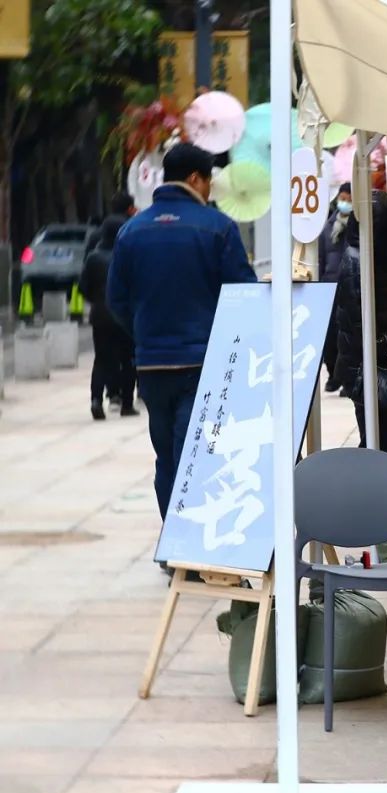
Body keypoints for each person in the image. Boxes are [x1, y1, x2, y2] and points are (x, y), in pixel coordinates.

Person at [107, 143, 256, 523]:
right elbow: (245, 293)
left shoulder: (130, 231)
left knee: (168, 458)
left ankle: (174, 537)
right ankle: (189, 541)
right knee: (197, 456)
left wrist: (144, 334)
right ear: (194, 179)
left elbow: (116, 300)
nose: (209, 191)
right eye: (208, 182)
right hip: (202, 363)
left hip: (152, 367)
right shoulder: (218, 227)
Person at [334, 190, 387, 458]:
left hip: (386, 367)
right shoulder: (360, 261)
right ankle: (364, 483)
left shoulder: (379, 256)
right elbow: (357, 323)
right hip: (372, 369)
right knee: (381, 444)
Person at [79, 215, 137, 420]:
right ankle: (127, 404)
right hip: (124, 315)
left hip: (100, 315)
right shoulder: (128, 256)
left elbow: (83, 288)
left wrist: (96, 300)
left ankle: (96, 400)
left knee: (101, 359)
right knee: (128, 360)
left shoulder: (92, 258)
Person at [318, 183, 352, 392]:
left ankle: (346, 378)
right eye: (342, 198)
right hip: (329, 287)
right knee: (330, 335)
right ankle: (333, 374)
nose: (344, 202)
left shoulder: (358, 226)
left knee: (347, 334)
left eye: (349, 199)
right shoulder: (328, 227)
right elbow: (321, 258)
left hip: (350, 287)